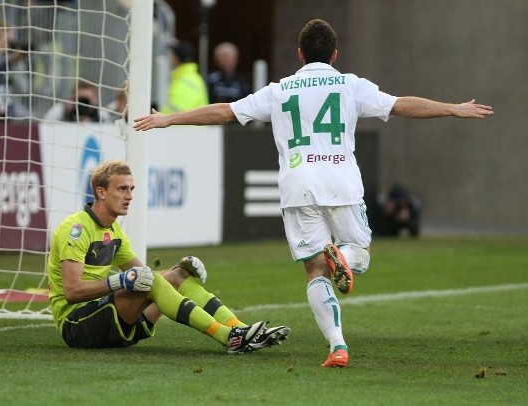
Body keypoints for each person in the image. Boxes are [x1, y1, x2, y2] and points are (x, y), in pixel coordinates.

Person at [133, 19, 494, 367]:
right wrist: (452, 108)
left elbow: (226, 112)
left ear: (300, 54)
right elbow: (400, 105)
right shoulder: (351, 85)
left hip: (298, 186)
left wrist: (169, 118)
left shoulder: (279, 90)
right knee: (361, 255)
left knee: (315, 271)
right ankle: (345, 257)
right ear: (335, 54)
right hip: (341, 183)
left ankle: (338, 345)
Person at [47, 159, 290, 352]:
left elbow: (147, 277)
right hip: (77, 325)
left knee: (178, 276)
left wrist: (179, 270)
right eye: (122, 189)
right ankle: (228, 337)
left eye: (131, 189)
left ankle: (242, 330)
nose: (129, 196)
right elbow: (72, 292)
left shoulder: (114, 230)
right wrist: (118, 281)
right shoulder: (76, 229)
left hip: (110, 320)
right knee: (153, 280)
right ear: (101, 192)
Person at [161, 41, 208, 114]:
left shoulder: (183, 81)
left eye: (172, 56)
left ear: (177, 59)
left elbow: (176, 114)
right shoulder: (195, 77)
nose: (170, 59)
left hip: (181, 125)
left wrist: (159, 120)